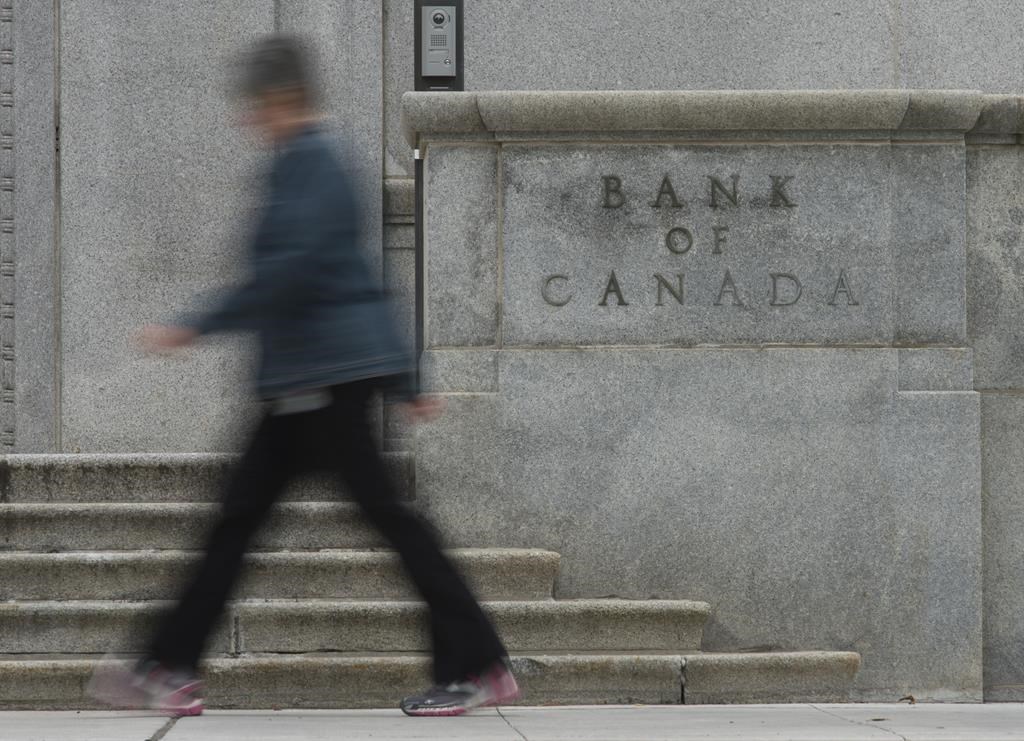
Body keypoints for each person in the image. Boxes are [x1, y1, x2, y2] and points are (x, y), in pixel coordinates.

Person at [87, 35, 518, 718]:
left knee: (344, 522)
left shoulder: (313, 165)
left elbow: (289, 275)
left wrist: (195, 323)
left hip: (320, 387)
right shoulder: (307, 162)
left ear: (283, 99)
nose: (247, 121)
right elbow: (357, 279)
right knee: (263, 522)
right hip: (309, 383)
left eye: (255, 108)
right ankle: (167, 662)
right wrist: (405, 378)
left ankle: (478, 662)